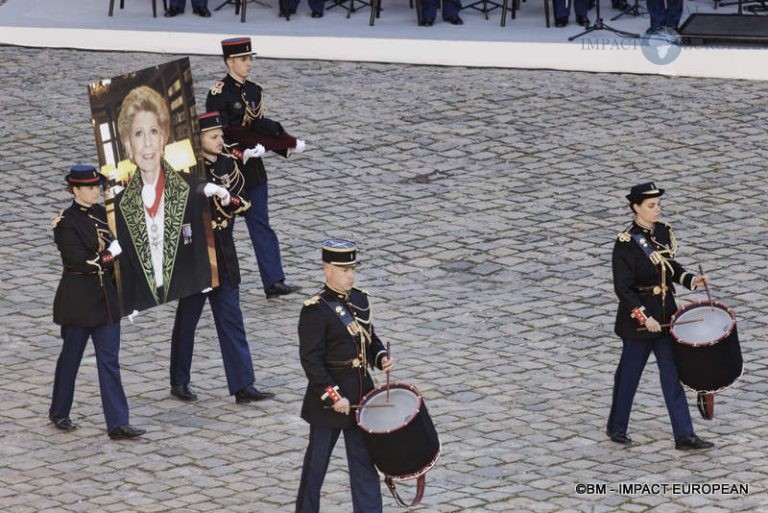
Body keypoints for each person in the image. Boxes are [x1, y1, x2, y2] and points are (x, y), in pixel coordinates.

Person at [169, 112, 275, 404]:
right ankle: (179, 380)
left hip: (224, 253)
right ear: (199, 139)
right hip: (197, 256)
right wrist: (204, 190)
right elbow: (176, 200)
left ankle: (243, 384)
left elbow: (243, 197)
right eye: (213, 137)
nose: (220, 141)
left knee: (231, 320)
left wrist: (231, 200)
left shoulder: (228, 162)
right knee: (187, 321)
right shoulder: (186, 166)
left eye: (220, 136)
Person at [607, 182, 714, 451]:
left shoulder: (663, 232)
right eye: (651, 206)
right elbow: (624, 289)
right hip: (640, 325)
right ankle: (617, 427)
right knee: (629, 376)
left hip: (667, 317)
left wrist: (691, 280)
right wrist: (645, 318)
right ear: (636, 208)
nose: (657, 210)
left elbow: (670, 268)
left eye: (658, 205)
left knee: (672, 375)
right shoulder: (626, 244)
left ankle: (684, 435)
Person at [295, 240, 396, 513]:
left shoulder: (359, 298)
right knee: (315, 469)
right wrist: (334, 395)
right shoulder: (315, 311)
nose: (350, 274)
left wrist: (380, 358)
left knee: (365, 467)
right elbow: (312, 363)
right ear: (327, 270)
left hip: (361, 398)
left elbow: (369, 339)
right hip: (330, 403)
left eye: (352, 268)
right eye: (343, 270)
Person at [50, 165, 145, 440]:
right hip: (78, 302)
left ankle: (118, 423)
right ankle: (59, 410)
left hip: (105, 302)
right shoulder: (65, 222)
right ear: (75, 190)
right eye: (90, 187)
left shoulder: (102, 214)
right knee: (71, 358)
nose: (95, 191)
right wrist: (108, 256)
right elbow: (79, 261)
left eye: (96, 186)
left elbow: (119, 240)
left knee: (110, 361)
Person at [114, 85, 227, 314]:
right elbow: (126, 269)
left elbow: (200, 255)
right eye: (138, 134)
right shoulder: (121, 204)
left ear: (163, 138)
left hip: (187, 291)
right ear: (128, 145)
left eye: (153, 131)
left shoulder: (191, 189)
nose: (147, 143)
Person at [206, 37, 304, 299]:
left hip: (254, 172)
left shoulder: (253, 91)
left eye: (250, 59)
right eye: (243, 59)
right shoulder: (218, 94)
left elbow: (257, 125)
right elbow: (217, 135)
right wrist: (241, 151)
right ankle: (211, 278)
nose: (249, 64)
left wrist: (282, 142)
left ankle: (274, 281)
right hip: (228, 171)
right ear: (229, 62)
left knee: (261, 224)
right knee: (221, 226)